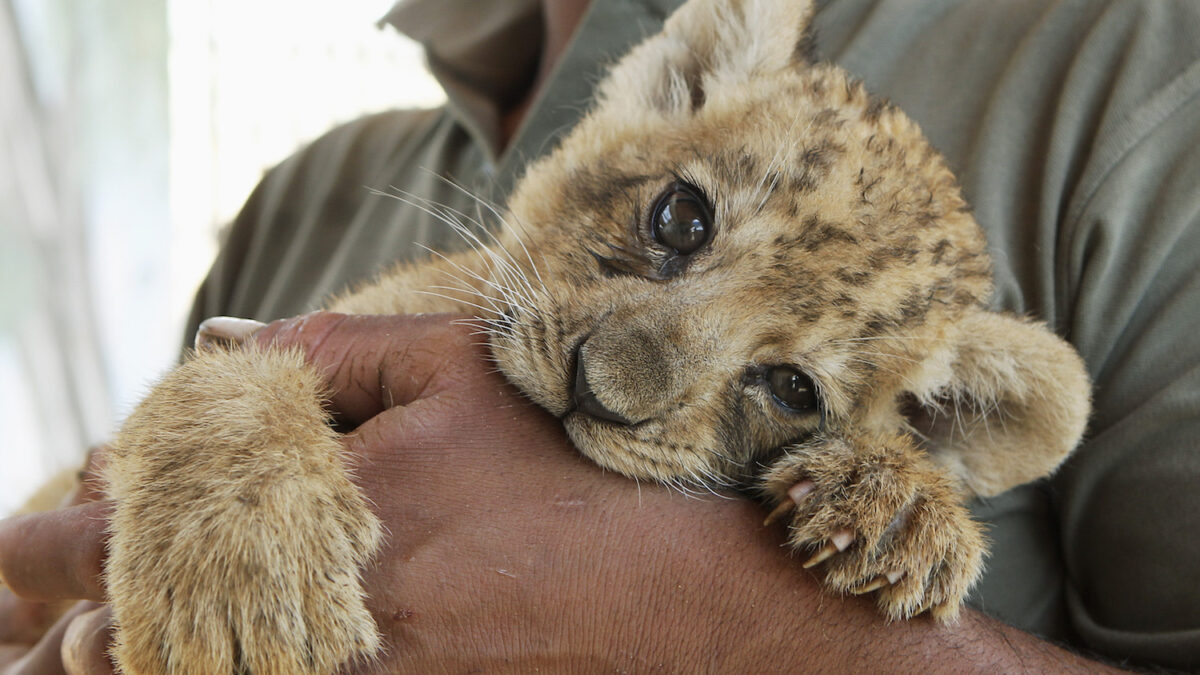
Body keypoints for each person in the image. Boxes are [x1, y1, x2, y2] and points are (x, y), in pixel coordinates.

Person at [2, 0, 1198, 670]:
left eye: (787, 383)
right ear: (665, 77)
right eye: (678, 225)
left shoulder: (1132, 75)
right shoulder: (316, 186)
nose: (620, 379)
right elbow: (216, 405)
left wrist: (749, 618)